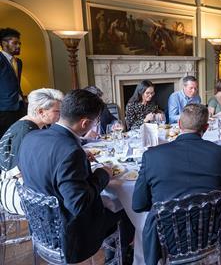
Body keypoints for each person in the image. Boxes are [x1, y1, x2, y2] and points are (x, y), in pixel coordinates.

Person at [18, 89, 134, 264]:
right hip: (71, 237)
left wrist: (80, 158)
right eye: (94, 122)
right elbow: (78, 204)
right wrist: (102, 174)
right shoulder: (71, 151)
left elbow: (47, 168)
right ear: (85, 123)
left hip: (40, 226)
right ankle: (117, 260)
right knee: (127, 206)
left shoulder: (31, 137)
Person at [132, 104, 221, 265]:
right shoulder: (220, 153)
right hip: (209, 232)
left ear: (179, 124)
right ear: (206, 128)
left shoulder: (152, 156)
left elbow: (138, 205)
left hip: (167, 238)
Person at [0, 88, 63, 215]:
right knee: (72, 198)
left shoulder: (35, 126)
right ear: (41, 111)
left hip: (26, 188)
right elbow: (16, 171)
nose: (60, 115)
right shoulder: (25, 131)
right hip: (17, 194)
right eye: (57, 111)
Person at [0, 28, 25, 138]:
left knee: (20, 136)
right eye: (14, 43)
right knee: (6, 138)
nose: (18, 46)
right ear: (4, 43)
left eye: (19, 43)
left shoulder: (18, 62)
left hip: (20, 106)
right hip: (4, 109)